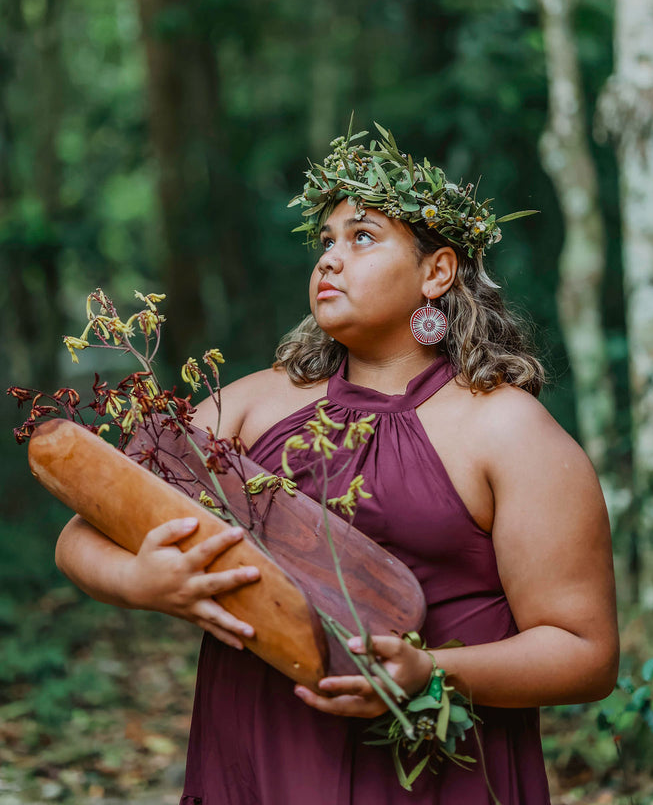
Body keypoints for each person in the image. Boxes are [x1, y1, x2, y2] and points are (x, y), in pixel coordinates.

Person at [56, 127, 619, 805]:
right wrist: (143, 581)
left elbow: (584, 654)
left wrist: (428, 672)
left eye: (361, 238)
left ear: (435, 272)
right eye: (324, 241)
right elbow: (82, 528)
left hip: (434, 771)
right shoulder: (248, 406)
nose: (329, 259)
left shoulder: (505, 430)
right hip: (259, 753)